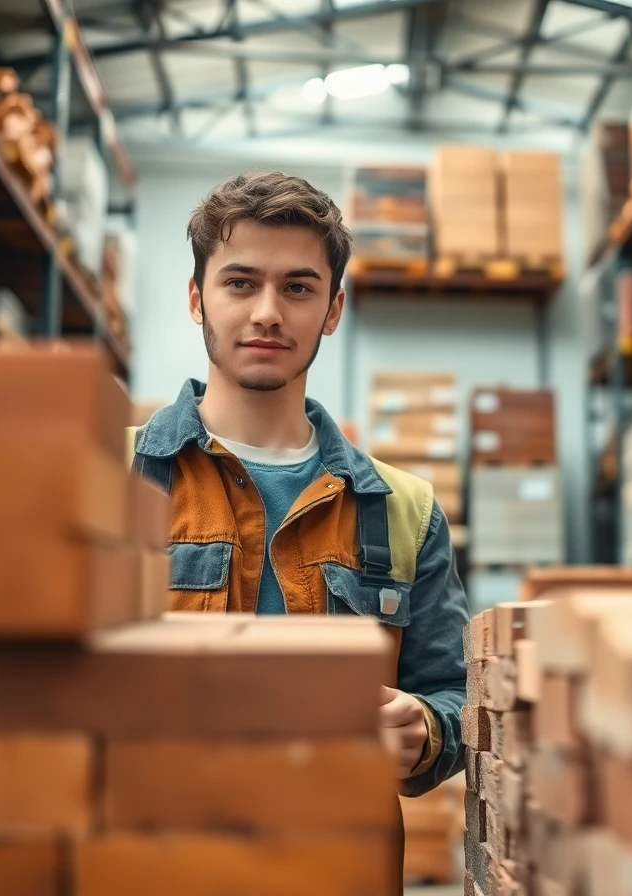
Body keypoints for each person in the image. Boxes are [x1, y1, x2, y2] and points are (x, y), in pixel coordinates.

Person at [128, 171, 468, 813]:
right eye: (240, 282)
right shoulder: (108, 476)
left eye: (298, 287)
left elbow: (454, 692)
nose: (267, 312)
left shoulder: (404, 511)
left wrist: (424, 729)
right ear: (197, 300)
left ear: (332, 310)